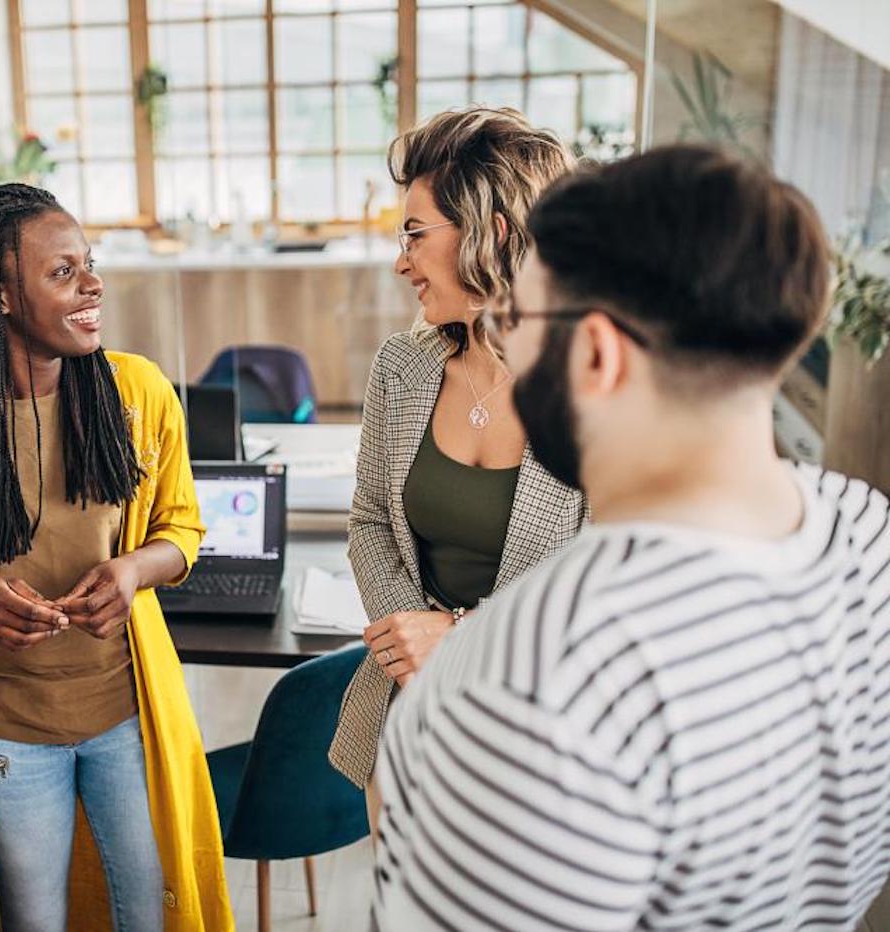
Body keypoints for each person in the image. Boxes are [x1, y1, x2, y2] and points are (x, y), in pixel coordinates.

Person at [372, 144, 890, 930]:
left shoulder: (530, 677)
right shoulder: (869, 535)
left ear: (595, 352)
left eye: (520, 317)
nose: (505, 336)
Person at [0, 183, 232, 932]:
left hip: (128, 713)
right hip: (5, 727)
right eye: (62, 272)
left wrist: (134, 571)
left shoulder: (137, 391)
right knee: (32, 919)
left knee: (150, 909)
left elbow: (182, 530)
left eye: (88, 265)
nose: (92, 284)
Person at [328, 107, 586, 824]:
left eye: (415, 234)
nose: (400, 260)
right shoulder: (400, 367)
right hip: (404, 728)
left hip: (541, 745)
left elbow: (610, 591)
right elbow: (370, 522)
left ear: (492, 233)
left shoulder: (593, 389)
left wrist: (462, 641)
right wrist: (415, 651)